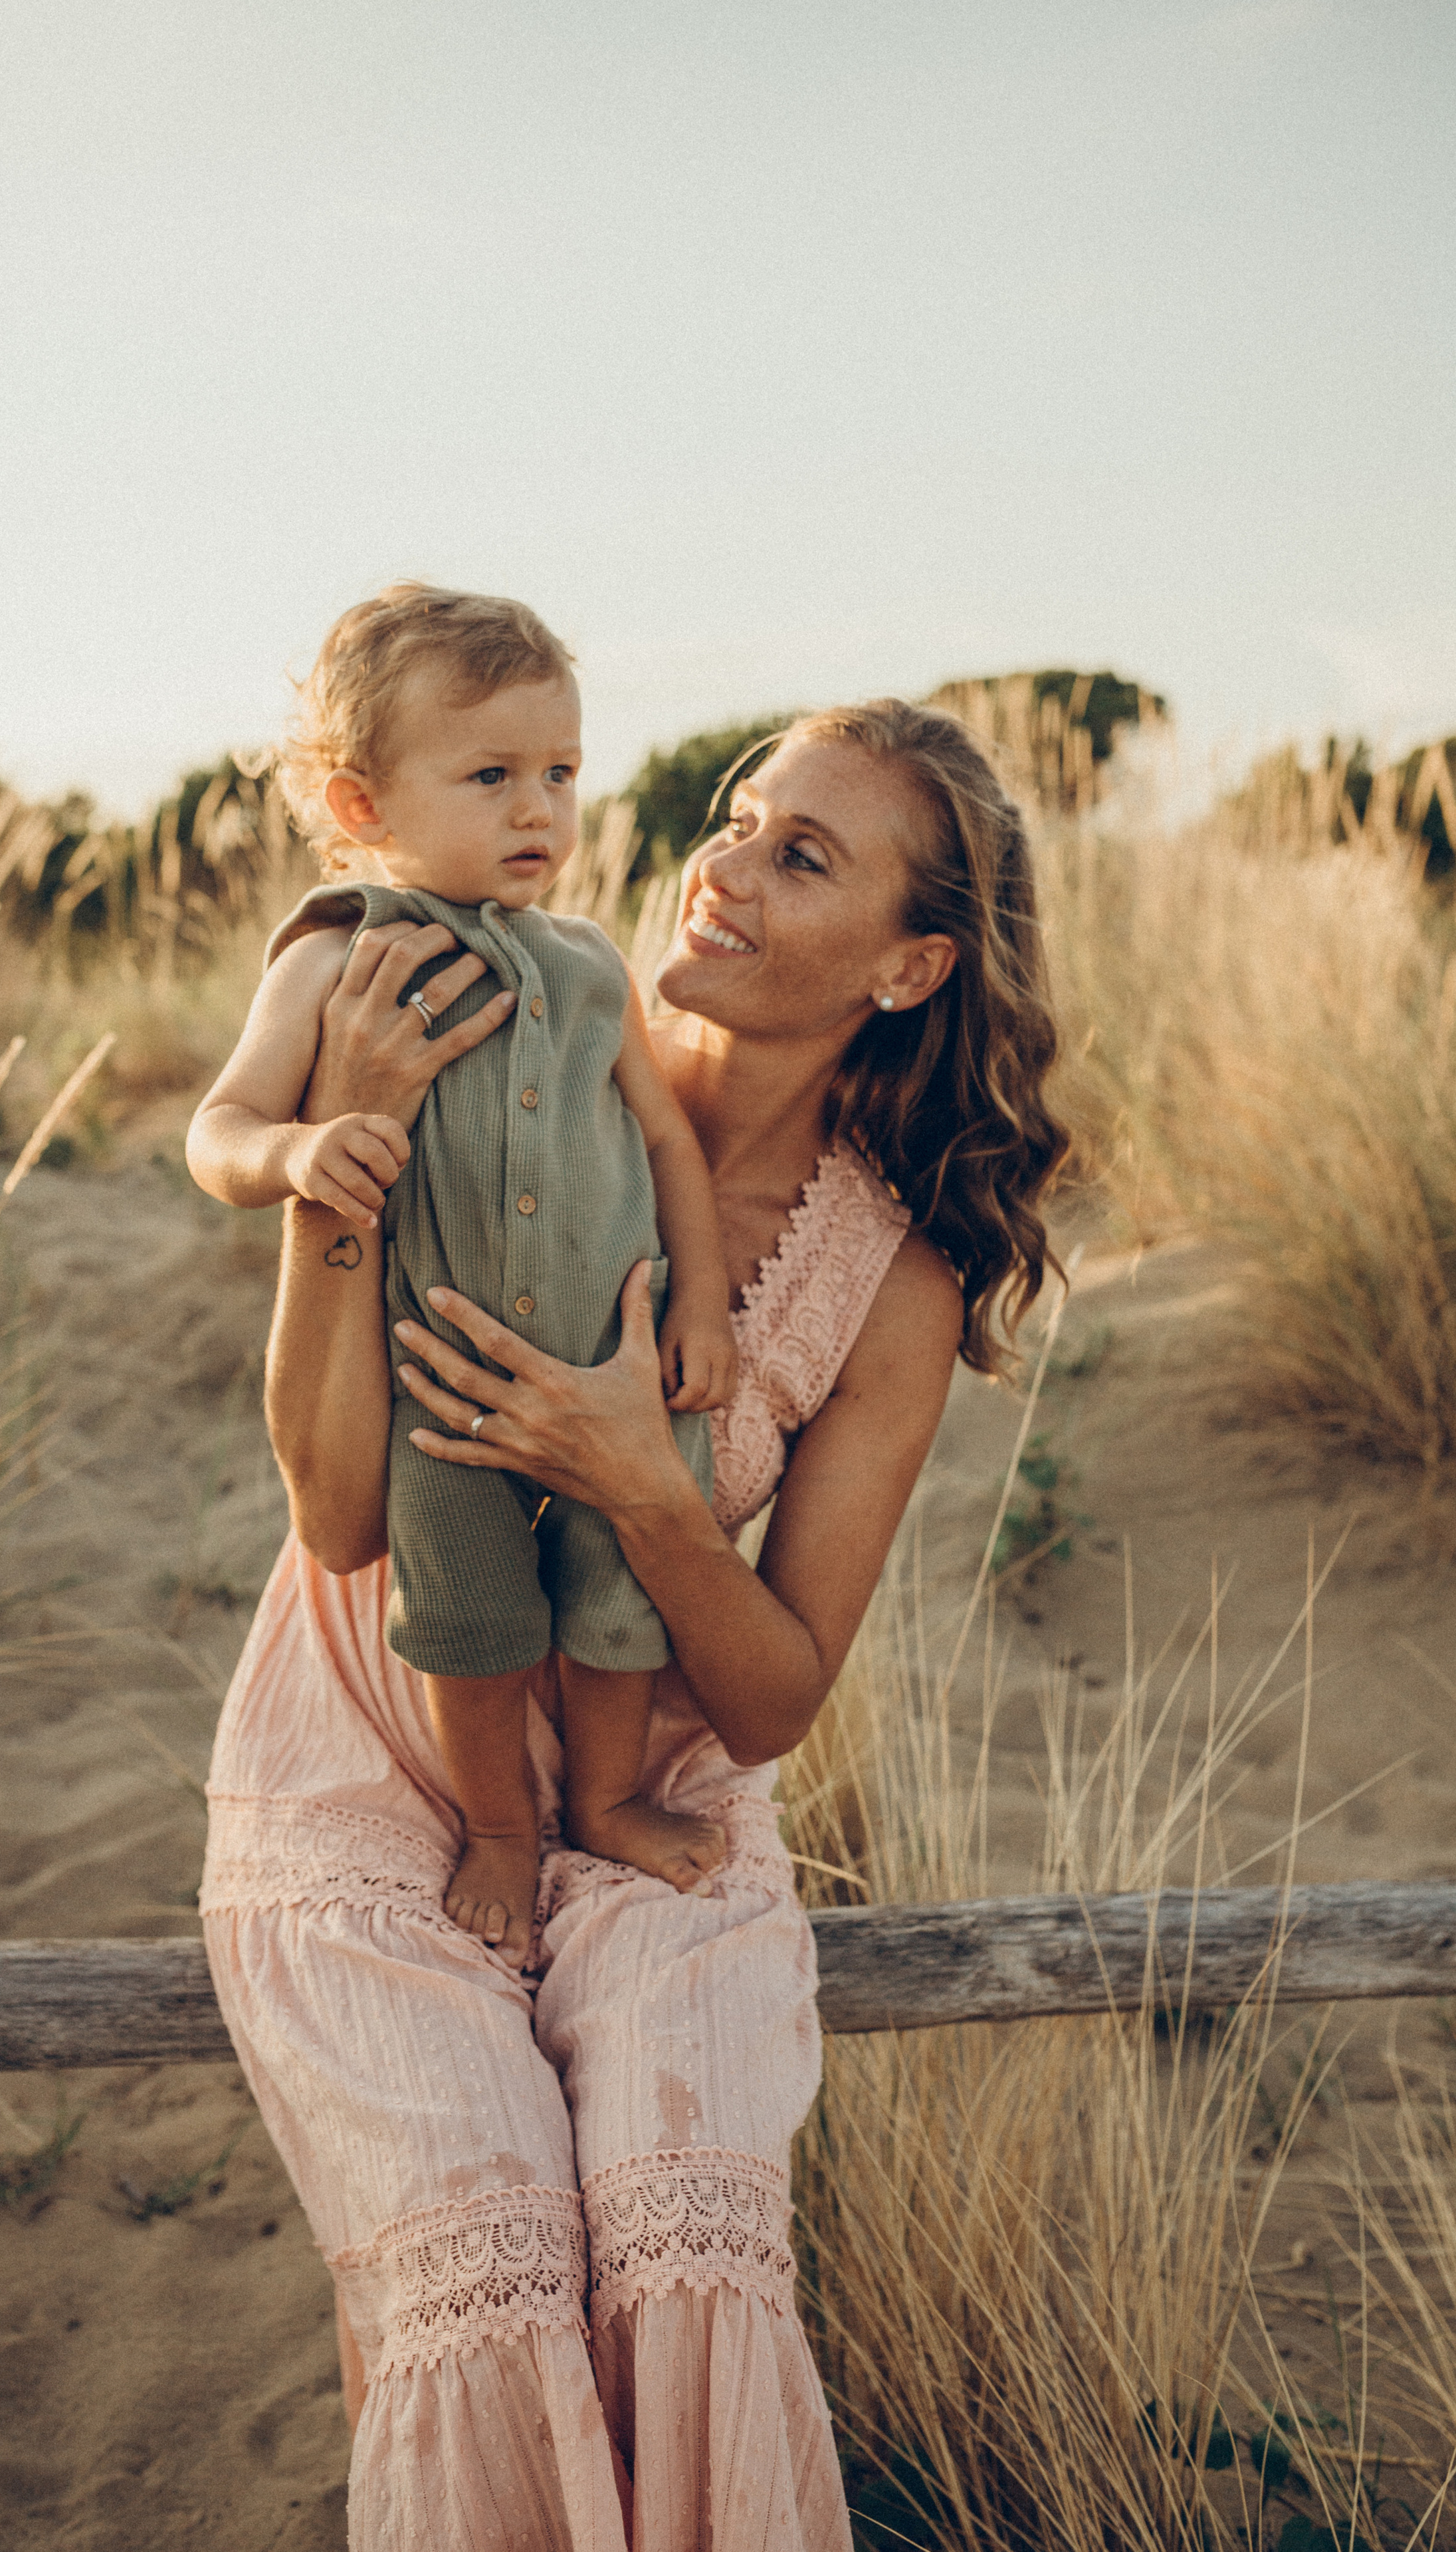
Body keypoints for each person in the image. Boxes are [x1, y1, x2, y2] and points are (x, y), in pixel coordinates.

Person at [200, 696, 1067, 2550]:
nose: (725, 861)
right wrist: (336, 1186)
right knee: (487, 2233)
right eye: (743, 815)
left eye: (802, 856)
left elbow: (769, 1703)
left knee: (687, 2212)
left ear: (914, 966)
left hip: (650, 1780)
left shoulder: (888, 1278)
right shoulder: (496, 1048)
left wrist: (646, 1487)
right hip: (375, 1730)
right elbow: (340, 1516)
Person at [189, 586, 738, 1967]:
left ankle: (605, 1801)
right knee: (469, 1619)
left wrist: (703, 1301)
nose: (536, 809)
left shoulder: (591, 960)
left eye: (557, 772)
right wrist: (303, 1150)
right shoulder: (334, 953)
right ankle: (499, 1827)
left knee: (619, 1595)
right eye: (488, 776)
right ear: (358, 799)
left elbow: (666, 1135)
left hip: (617, 1373)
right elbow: (219, 1130)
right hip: (447, 1389)